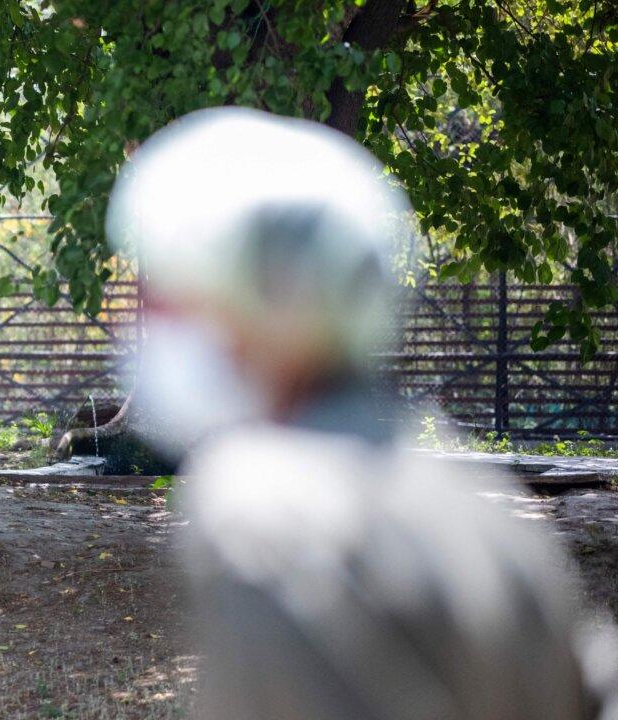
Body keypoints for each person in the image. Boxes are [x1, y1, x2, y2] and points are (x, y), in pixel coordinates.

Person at [106, 107, 617, 720]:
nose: (146, 324)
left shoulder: (261, 516)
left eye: (177, 295)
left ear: (269, 301)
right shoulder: (495, 523)